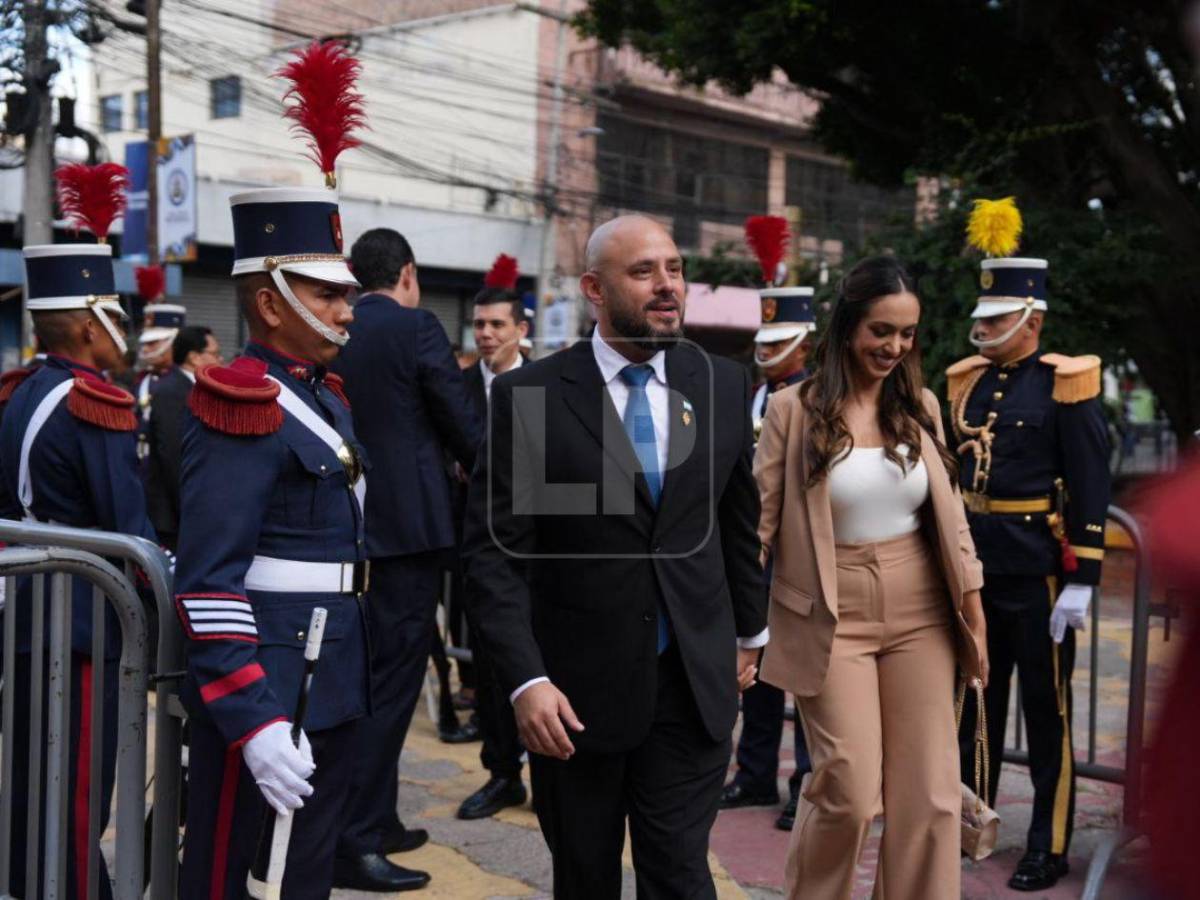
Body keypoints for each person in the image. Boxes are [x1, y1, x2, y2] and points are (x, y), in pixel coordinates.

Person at [463, 214, 766, 899]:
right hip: (573, 697)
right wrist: (525, 682)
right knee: (585, 876)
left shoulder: (720, 382)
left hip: (691, 684)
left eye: (675, 269)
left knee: (681, 874)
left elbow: (736, 520)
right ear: (595, 289)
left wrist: (752, 632)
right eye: (644, 272)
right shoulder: (535, 397)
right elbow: (495, 557)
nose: (667, 286)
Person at [754, 256, 988, 900]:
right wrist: (743, 630)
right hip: (831, 612)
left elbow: (951, 521)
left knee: (931, 795)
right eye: (881, 331)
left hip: (923, 610)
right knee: (848, 787)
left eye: (907, 334)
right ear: (849, 325)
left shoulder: (922, 405)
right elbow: (760, 529)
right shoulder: (791, 410)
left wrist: (975, 613)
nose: (895, 347)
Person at [173, 185, 372, 900]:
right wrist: (252, 718)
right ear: (269, 302)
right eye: (326, 295)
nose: (347, 311)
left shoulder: (326, 395)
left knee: (302, 880)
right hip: (270, 683)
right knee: (233, 877)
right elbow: (208, 581)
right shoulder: (242, 401)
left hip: (334, 671)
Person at [949, 204, 1110, 891]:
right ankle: (973, 822)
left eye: (996, 320)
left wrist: (1085, 578)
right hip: (978, 569)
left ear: (1031, 320)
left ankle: (1048, 844)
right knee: (975, 705)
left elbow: (1092, 480)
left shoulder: (1065, 381)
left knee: (1047, 715)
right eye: (981, 319)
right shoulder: (971, 380)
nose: (982, 330)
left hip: (1040, 573)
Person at [0, 203, 155, 899]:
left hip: (28, 613)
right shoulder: (96, 403)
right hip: (87, 623)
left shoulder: (23, 390)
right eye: (116, 312)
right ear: (92, 324)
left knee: (36, 782)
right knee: (77, 795)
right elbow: (130, 529)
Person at [330, 226, 479, 891]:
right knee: (389, 692)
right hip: (411, 535)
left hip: (350, 528)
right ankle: (357, 839)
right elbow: (463, 424)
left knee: (369, 685)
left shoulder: (335, 325)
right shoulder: (415, 331)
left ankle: (378, 818)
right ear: (409, 275)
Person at [722, 284, 815, 831]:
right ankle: (754, 773)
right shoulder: (756, 395)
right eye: (765, 338)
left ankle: (805, 783)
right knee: (753, 665)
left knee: (800, 671)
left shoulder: (815, 397)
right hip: (752, 551)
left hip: (798, 552)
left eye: (779, 340)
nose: (766, 349)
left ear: (804, 342)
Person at [456, 265, 532, 821]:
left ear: (520, 329)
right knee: (488, 665)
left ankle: (553, 771)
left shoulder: (549, 384)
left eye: (496, 324)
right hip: (479, 546)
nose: (485, 333)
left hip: (540, 548)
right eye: (479, 324)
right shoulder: (457, 389)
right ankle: (502, 773)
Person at [142, 325, 221, 551]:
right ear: (195, 358)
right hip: (175, 517)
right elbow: (175, 457)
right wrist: (192, 512)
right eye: (215, 354)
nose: (220, 359)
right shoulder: (173, 391)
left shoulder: (192, 388)